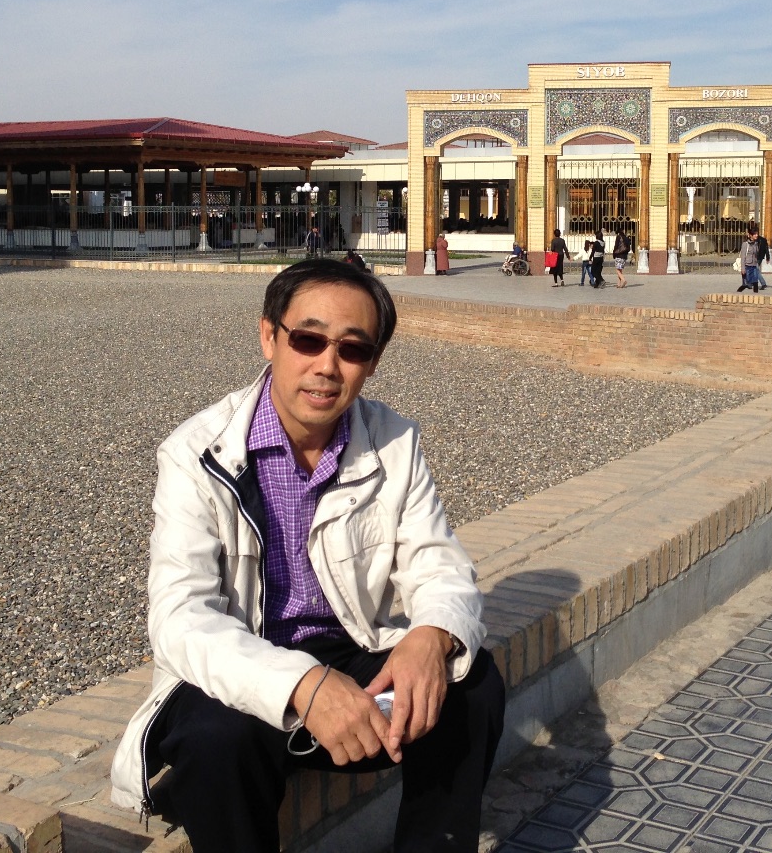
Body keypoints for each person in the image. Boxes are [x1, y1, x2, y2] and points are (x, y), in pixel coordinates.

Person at [110, 260, 506, 852]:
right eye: (308, 339)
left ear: (371, 362)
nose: (327, 365)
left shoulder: (395, 441)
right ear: (269, 336)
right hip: (241, 657)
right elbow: (180, 618)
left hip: (347, 642)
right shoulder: (196, 453)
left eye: (353, 349)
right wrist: (303, 685)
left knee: (470, 686)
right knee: (215, 741)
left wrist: (434, 633)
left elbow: (437, 561)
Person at [738, 225, 762, 293]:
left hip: (754, 266)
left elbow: (756, 254)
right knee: (746, 284)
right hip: (747, 266)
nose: (756, 235)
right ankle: (737, 293)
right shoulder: (745, 244)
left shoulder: (756, 243)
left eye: (757, 234)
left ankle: (756, 297)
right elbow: (743, 257)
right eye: (755, 234)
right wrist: (743, 268)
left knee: (755, 282)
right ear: (750, 235)